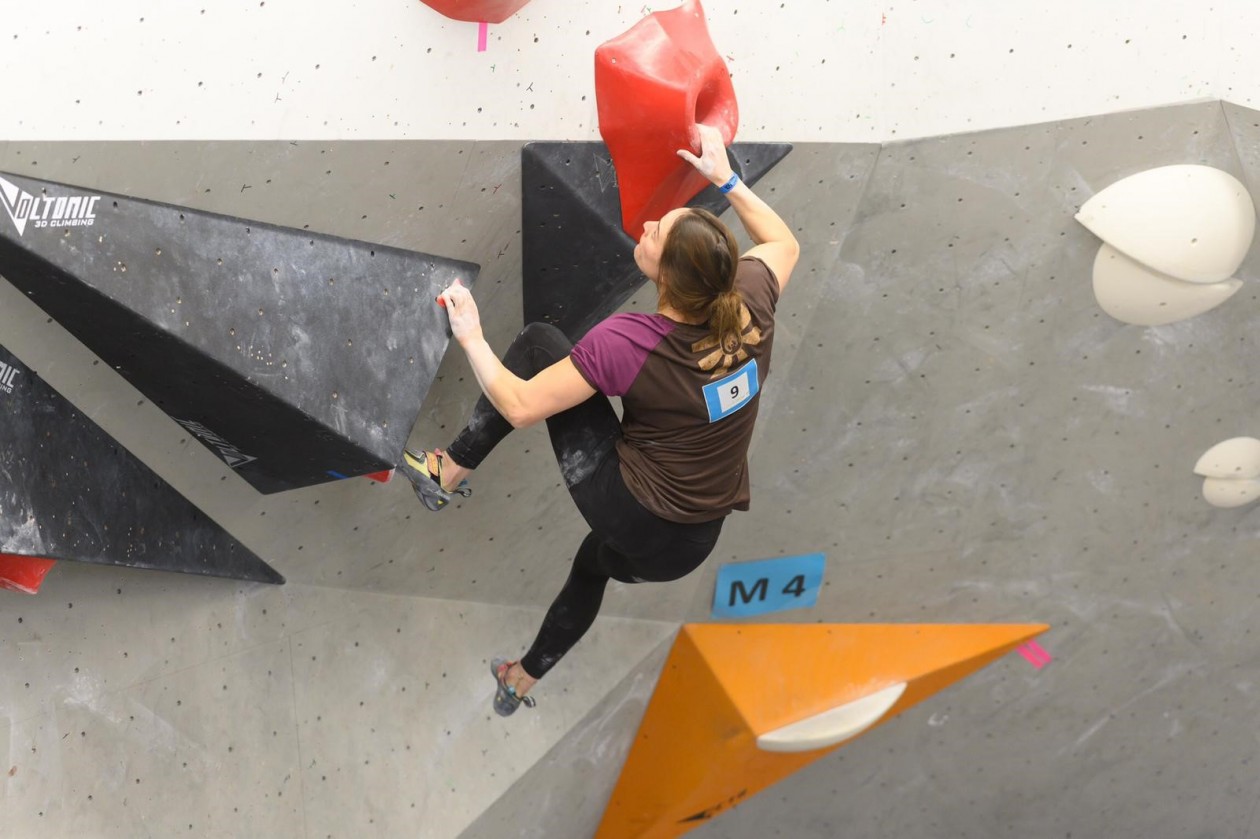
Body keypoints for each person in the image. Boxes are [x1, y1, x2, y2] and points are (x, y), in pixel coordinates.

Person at [401, 123, 799, 716]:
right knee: (592, 566)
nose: (645, 227)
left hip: (635, 505)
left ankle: (446, 471)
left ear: (666, 280)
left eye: (656, 234)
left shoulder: (632, 342)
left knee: (539, 342)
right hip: (691, 541)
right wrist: (728, 179)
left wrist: (473, 336)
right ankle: (519, 681)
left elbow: (519, 403)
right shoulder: (750, 298)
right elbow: (785, 243)